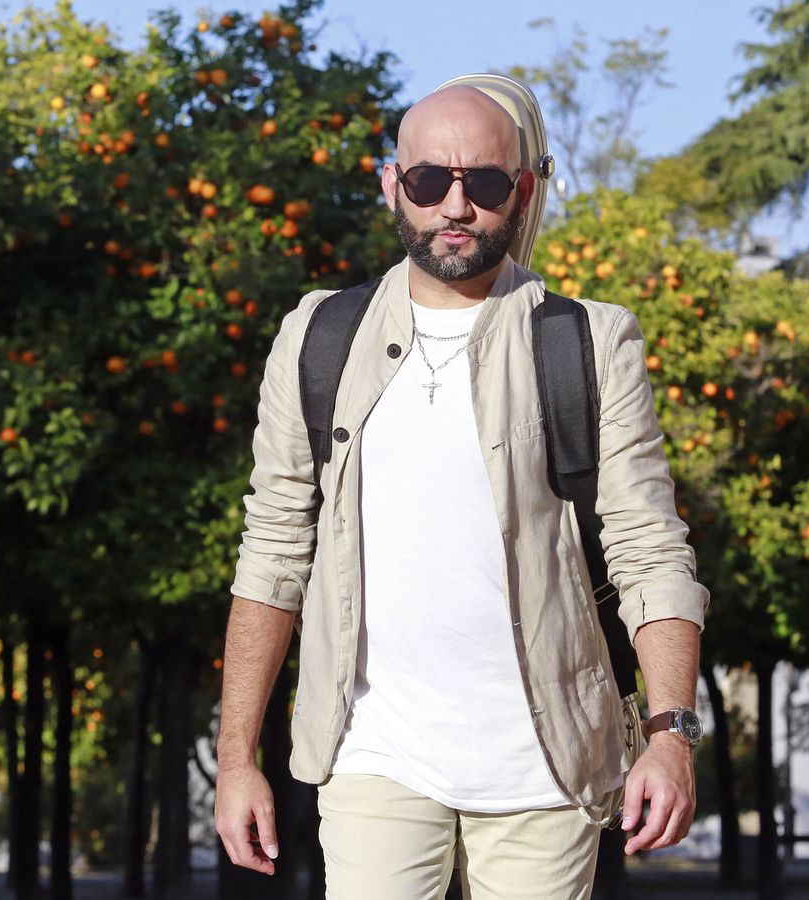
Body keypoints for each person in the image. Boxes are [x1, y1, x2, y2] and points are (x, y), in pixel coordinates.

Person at [214, 84, 709, 899]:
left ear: (521, 190)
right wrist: (237, 761)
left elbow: (650, 549)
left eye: (482, 184)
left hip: (547, 769)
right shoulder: (318, 336)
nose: (454, 205)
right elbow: (272, 555)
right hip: (371, 756)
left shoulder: (589, 341)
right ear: (390, 183)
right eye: (427, 181)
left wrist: (671, 736)